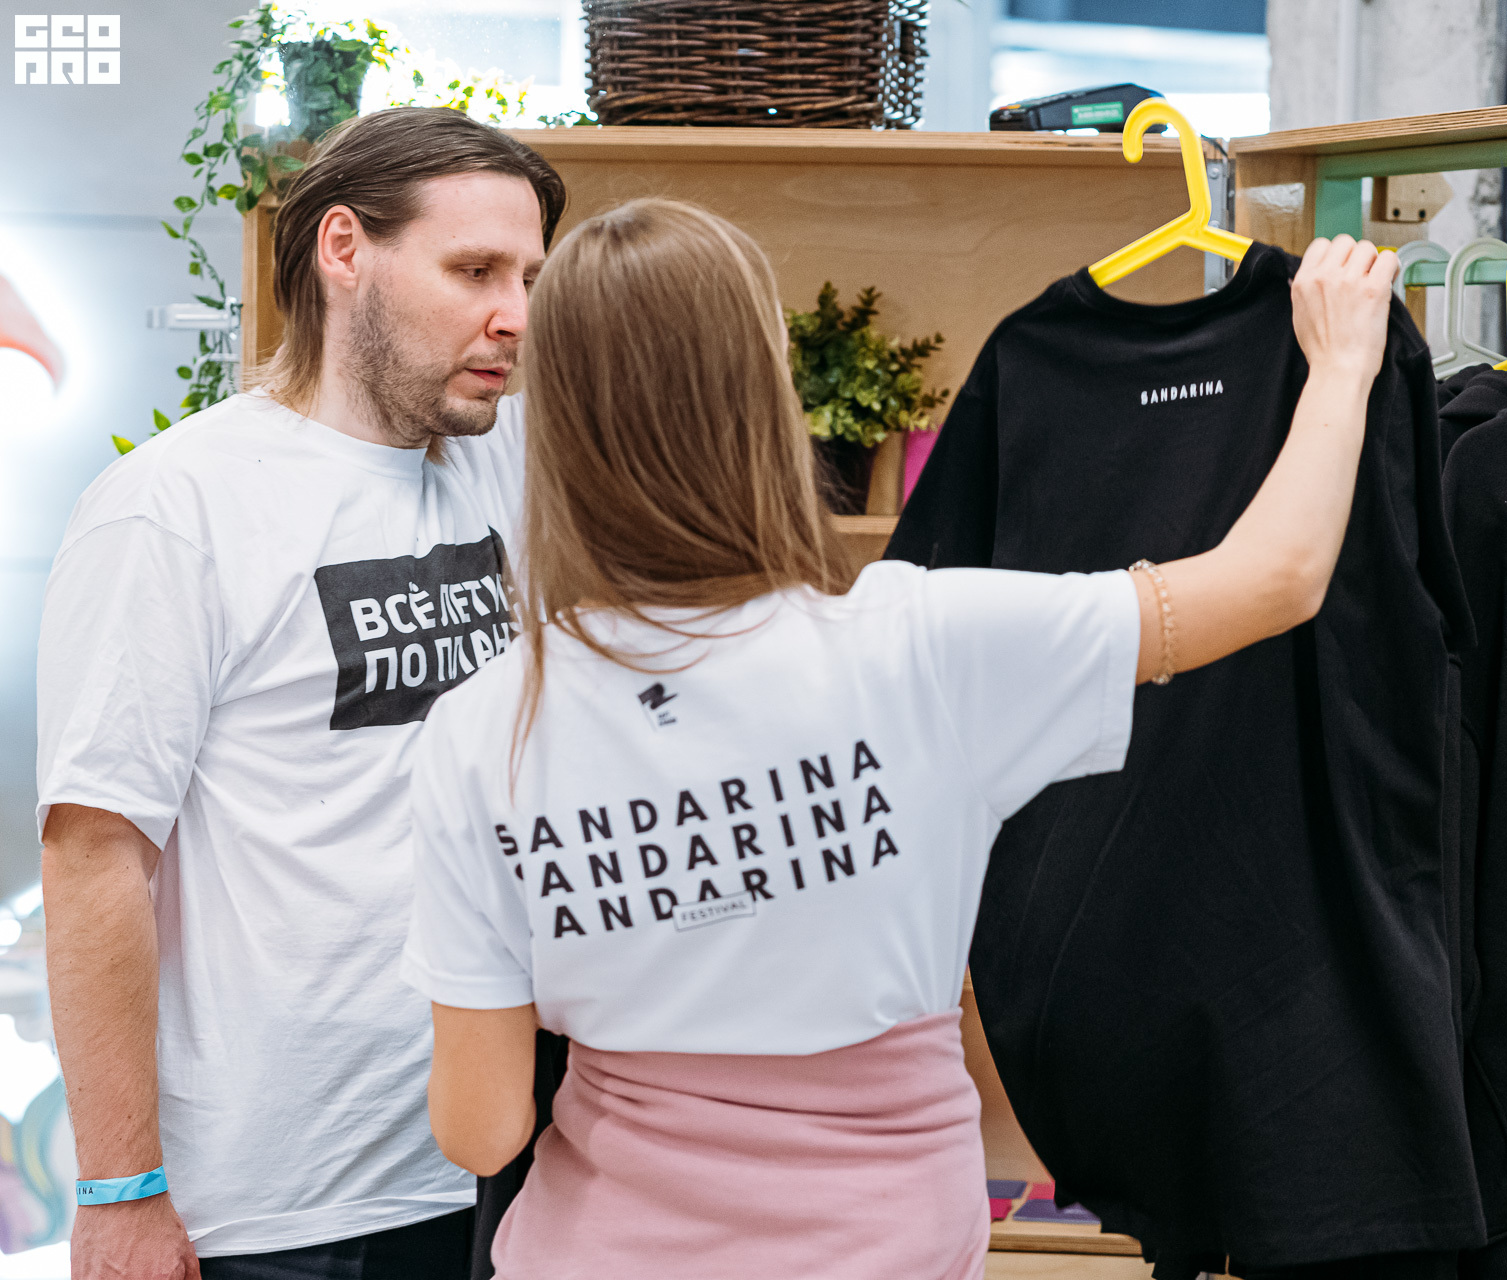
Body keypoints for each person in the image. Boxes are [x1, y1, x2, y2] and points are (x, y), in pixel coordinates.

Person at [399, 196, 1401, 1280]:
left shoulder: (484, 726)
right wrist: (1342, 366)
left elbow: (482, 1130)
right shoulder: (919, 644)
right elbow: (1275, 578)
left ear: (555, 416)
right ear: (763, 390)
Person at [35, 107, 564, 1280]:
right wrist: (121, 1189)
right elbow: (92, 856)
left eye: (529, 277)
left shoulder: (506, 459)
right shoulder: (175, 507)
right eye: (475, 270)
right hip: (285, 1209)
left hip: (500, 1156)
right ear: (343, 249)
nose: (516, 315)